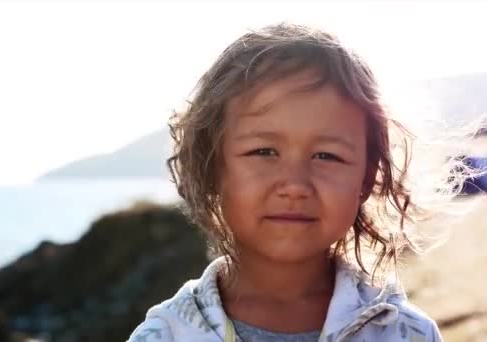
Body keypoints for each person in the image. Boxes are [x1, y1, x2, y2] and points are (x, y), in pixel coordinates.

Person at [128, 22, 460, 341]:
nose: (295, 184)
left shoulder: (406, 332)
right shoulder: (166, 335)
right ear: (212, 165)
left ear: (367, 175)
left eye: (327, 156)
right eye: (263, 151)